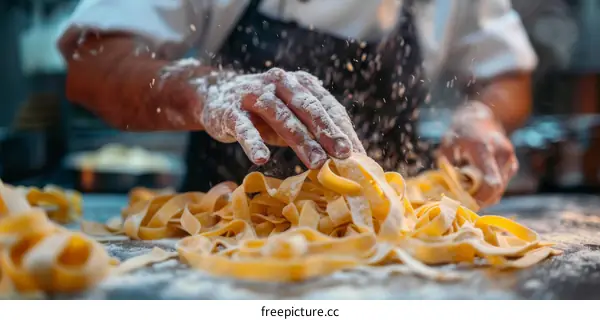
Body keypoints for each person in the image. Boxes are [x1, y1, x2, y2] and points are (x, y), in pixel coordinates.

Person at [58, 0, 536, 208]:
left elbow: (508, 72)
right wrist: (207, 92)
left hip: (392, 247)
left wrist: (483, 113)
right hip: (224, 239)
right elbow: (91, 63)